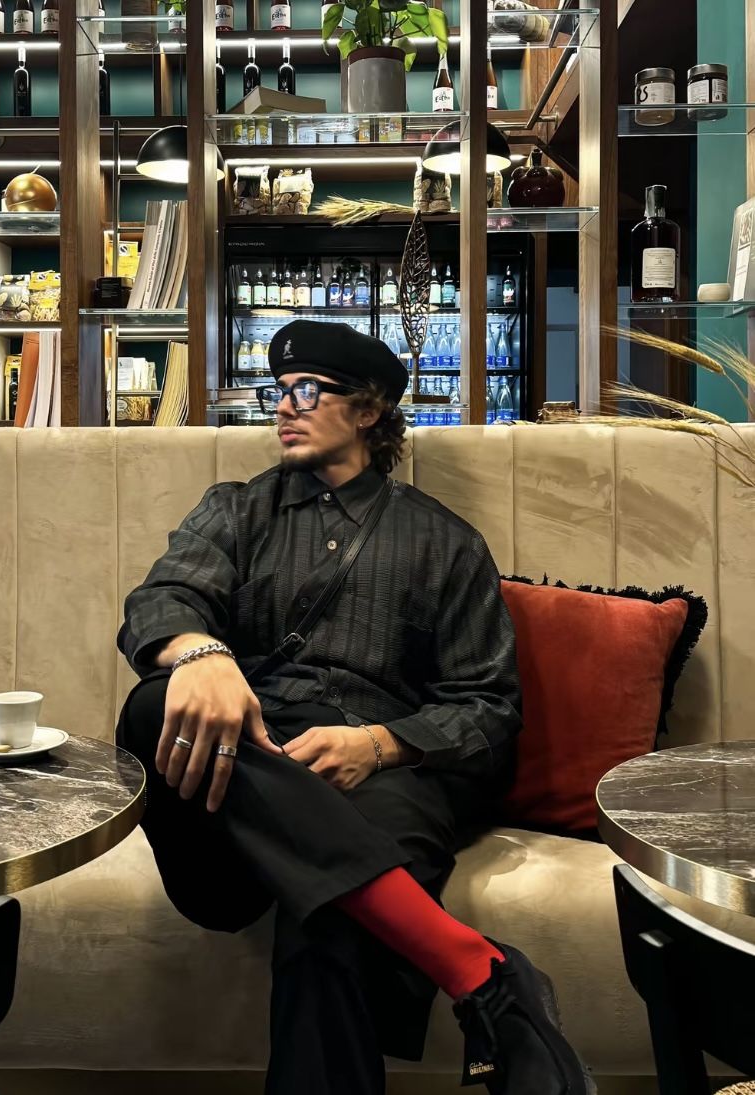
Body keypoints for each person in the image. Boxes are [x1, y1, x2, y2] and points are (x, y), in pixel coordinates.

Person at [116, 320, 589, 1095]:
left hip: (381, 783)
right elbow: (161, 599)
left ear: (369, 410)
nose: (283, 406)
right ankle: (478, 968)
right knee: (152, 704)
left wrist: (377, 744)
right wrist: (203, 655)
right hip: (238, 788)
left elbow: (488, 705)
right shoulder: (235, 512)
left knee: (332, 916)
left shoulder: (445, 543)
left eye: (307, 390)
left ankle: (470, 970)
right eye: (277, 391)